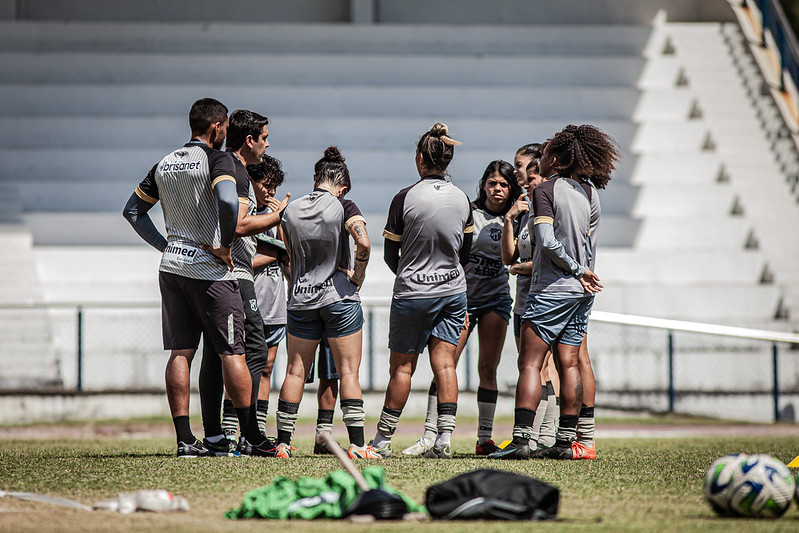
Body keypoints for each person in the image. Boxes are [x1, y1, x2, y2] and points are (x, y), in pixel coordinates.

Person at [121, 97, 273, 457]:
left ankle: (186, 440)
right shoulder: (218, 158)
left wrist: (166, 245)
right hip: (209, 271)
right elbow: (226, 200)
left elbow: (133, 211)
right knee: (233, 351)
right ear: (218, 128)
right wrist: (223, 242)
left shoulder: (166, 161)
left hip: (172, 266)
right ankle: (252, 437)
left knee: (181, 352)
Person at [489, 124, 619, 460]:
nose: (539, 160)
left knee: (530, 363)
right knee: (569, 363)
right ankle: (565, 442)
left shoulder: (545, 190)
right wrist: (583, 273)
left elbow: (546, 241)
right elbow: (587, 245)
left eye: (545, 154)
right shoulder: (589, 193)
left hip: (551, 290)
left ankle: (520, 441)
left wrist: (574, 269)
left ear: (557, 160)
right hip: (581, 293)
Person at [402, 160, 521, 457]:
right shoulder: (469, 211)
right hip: (463, 300)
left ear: (511, 189)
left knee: (487, 370)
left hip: (496, 300)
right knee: (445, 366)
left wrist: (511, 220)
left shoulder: (517, 217)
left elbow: (513, 259)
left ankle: (484, 439)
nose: (497, 189)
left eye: (504, 185)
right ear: (483, 184)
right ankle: (431, 436)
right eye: (492, 183)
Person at [369, 122, 473, 460]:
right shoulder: (462, 199)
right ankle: (443, 441)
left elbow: (388, 253)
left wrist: (411, 276)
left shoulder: (405, 197)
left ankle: (382, 442)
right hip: (453, 291)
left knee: (402, 369)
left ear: (419, 158)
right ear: (447, 160)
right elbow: (466, 254)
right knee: (445, 366)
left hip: (413, 293)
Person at [275, 146, 379, 459]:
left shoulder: (291, 210)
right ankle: (358, 446)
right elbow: (363, 241)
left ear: (315, 178)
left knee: (294, 371)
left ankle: (283, 443)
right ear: (343, 186)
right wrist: (356, 275)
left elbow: (285, 255)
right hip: (338, 298)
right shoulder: (343, 205)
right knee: (348, 373)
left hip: (301, 298)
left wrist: (297, 283)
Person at [197, 109, 290, 456]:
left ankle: (217, 434)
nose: (267, 144)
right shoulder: (233, 170)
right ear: (249, 140)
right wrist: (274, 216)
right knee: (252, 348)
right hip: (235, 277)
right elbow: (236, 226)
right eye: (264, 137)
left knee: (215, 352)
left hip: (212, 274)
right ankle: (249, 433)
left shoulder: (223, 167)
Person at [500, 155, 559, 451]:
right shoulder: (524, 209)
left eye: (525, 170)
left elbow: (548, 259)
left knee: (541, 368)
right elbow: (508, 257)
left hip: (544, 299)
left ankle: (542, 435)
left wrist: (524, 267)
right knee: (529, 365)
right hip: (523, 299)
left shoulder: (548, 209)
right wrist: (510, 218)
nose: (520, 175)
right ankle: (535, 436)